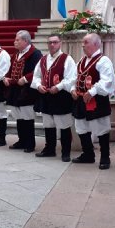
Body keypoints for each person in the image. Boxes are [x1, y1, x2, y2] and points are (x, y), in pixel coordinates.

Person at [71, 33, 115, 170]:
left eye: (86, 42)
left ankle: (105, 157)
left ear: (96, 44)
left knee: (101, 129)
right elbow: (74, 77)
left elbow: (107, 80)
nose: (82, 45)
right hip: (80, 100)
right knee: (81, 127)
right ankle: (88, 154)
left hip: (97, 101)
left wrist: (92, 91)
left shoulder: (103, 61)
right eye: (83, 42)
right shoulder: (81, 61)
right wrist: (72, 89)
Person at [31, 33, 76, 162]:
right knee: (48, 124)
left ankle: (65, 152)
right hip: (46, 96)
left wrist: (59, 87)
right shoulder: (43, 59)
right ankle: (49, 149)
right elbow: (36, 76)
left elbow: (71, 78)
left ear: (60, 43)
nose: (52, 45)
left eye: (55, 42)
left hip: (61, 97)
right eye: (50, 42)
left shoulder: (67, 59)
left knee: (64, 125)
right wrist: (38, 86)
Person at [4, 30, 42, 153]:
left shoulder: (35, 54)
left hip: (27, 90)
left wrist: (25, 79)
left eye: (17, 40)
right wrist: (6, 77)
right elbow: (10, 69)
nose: (14, 42)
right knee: (19, 117)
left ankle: (30, 143)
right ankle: (22, 140)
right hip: (15, 89)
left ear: (25, 41)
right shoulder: (16, 54)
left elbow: (38, 70)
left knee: (27, 117)